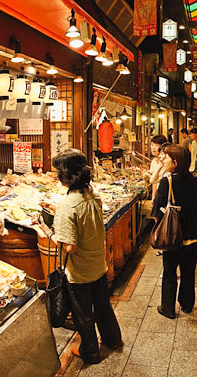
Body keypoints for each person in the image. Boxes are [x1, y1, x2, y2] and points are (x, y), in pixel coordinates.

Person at [52, 149, 122, 364]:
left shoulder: (67, 205)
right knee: (102, 305)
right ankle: (113, 339)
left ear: (66, 175)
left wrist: (52, 235)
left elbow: (70, 247)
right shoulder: (93, 195)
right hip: (97, 264)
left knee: (83, 314)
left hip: (79, 271)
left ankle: (90, 352)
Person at [151, 144, 197, 318]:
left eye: (166, 157)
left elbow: (157, 212)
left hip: (174, 239)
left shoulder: (168, 181)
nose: (163, 159)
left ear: (175, 162)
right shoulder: (193, 181)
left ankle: (168, 308)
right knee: (188, 273)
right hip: (193, 236)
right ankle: (187, 304)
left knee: (170, 273)